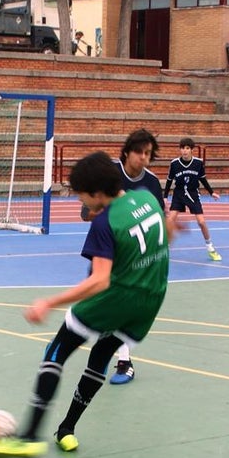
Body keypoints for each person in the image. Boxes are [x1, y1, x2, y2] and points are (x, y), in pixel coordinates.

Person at [0, 151, 177, 458]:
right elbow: (167, 234)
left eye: (81, 195)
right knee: (100, 355)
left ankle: (30, 437)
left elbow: (100, 281)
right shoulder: (148, 199)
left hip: (117, 297)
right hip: (151, 299)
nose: (80, 201)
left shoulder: (105, 223)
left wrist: (50, 302)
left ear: (97, 193)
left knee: (55, 353)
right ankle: (66, 430)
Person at [79, 128, 166, 386]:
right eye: (139, 152)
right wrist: (111, 214)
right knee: (101, 301)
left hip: (133, 257)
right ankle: (98, 347)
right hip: (106, 249)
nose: (143, 158)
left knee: (120, 305)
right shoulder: (109, 175)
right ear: (127, 152)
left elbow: (157, 218)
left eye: (148, 153)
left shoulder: (150, 183)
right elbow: (86, 212)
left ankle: (124, 361)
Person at [164, 137, 221, 261]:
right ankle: (165, 248)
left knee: (201, 222)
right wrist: (165, 197)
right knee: (170, 220)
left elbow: (203, 179)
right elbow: (169, 181)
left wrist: (212, 193)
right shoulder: (174, 164)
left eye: (187, 148)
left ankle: (210, 248)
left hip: (193, 193)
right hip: (178, 194)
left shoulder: (198, 163)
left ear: (191, 150)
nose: (184, 151)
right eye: (182, 148)